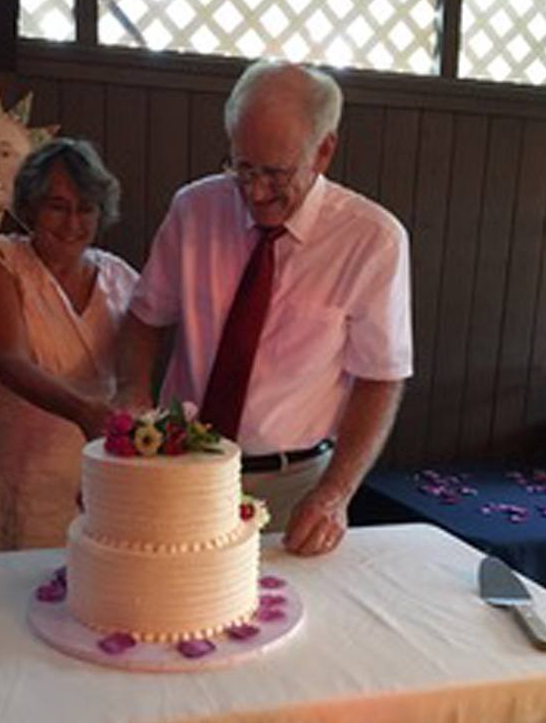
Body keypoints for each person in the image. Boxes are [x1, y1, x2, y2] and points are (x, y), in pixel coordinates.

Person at [116, 61, 412, 556]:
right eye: (242, 167)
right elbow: (145, 319)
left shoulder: (373, 240)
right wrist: (132, 395)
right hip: (178, 466)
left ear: (323, 150)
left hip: (294, 485)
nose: (254, 191)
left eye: (274, 173)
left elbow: (380, 378)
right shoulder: (194, 210)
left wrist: (335, 495)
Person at [0, 138, 138, 552]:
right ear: (30, 207)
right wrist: (84, 411)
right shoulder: (0, 257)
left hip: (95, 472)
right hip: (15, 466)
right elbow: (9, 360)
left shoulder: (122, 277)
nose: (72, 221)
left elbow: (139, 372)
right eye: (58, 205)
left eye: (86, 208)